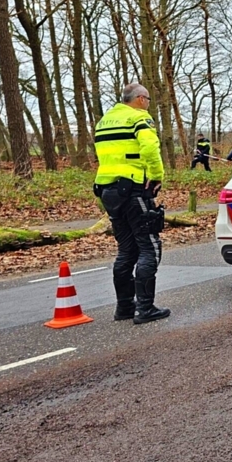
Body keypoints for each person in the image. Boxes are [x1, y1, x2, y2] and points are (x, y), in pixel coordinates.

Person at [93, 83, 170, 325]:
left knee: (126, 250)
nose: (148, 104)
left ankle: (125, 307)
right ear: (138, 99)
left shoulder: (104, 121)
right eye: (147, 99)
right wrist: (156, 175)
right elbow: (150, 147)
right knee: (150, 247)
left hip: (107, 190)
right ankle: (145, 309)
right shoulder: (139, 118)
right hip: (134, 188)